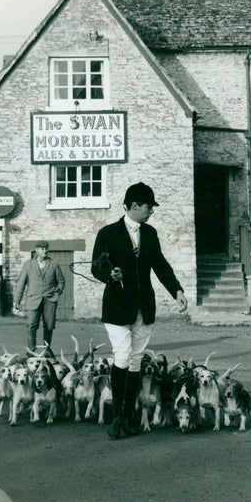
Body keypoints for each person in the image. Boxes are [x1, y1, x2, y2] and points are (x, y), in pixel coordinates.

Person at [91, 182, 188, 439]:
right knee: (122, 355)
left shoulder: (151, 233)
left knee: (136, 359)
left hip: (143, 306)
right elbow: (95, 267)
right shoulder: (108, 233)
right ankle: (117, 417)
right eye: (148, 207)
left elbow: (160, 264)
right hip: (117, 307)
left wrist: (177, 290)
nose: (151, 212)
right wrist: (109, 275)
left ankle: (129, 414)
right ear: (134, 206)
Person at [13, 240, 66, 350]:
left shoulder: (53, 263)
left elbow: (61, 281)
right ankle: (31, 350)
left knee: (49, 326)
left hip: (50, 300)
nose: (45, 251)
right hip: (33, 300)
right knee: (31, 325)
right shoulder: (28, 265)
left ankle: (47, 351)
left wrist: (57, 291)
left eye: (46, 248)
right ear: (36, 250)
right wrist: (16, 301)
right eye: (42, 249)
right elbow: (20, 284)